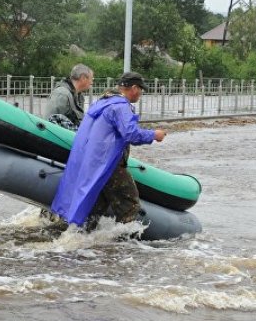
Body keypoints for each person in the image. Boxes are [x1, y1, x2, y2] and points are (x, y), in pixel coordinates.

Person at [50, 72, 167, 231]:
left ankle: (69, 236)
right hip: (109, 165)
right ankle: (124, 248)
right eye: (141, 89)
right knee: (130, 206)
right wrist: (154, 135)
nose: (141, 94)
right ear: (133, 88)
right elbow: (130, 133)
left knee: (95, 209)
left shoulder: (103, 102)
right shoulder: (120, 106)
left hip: (92, 163)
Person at [45, 64, 94, 130]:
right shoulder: (62, 94)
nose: (92, 82)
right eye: (91, 79)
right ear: (83, 78)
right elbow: (50, 123)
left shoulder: (79, 95)